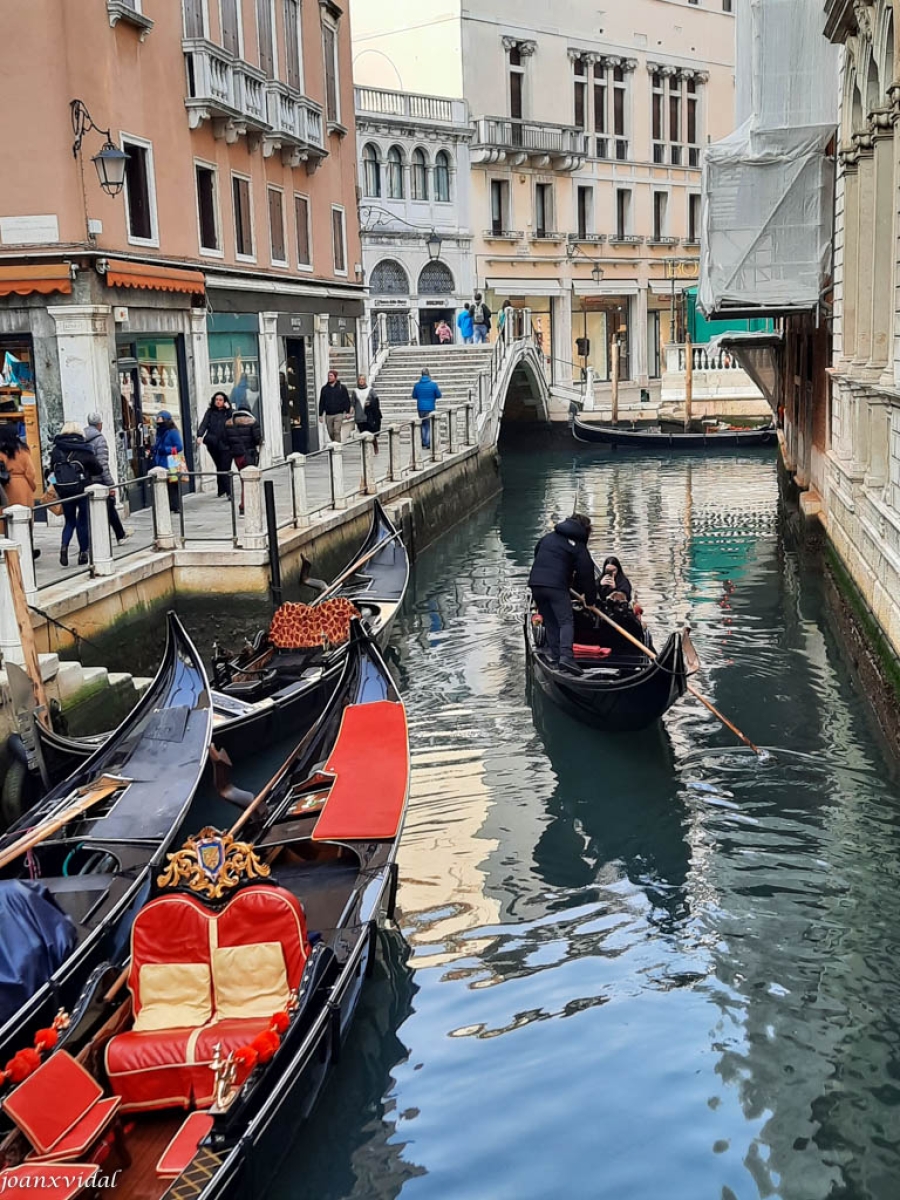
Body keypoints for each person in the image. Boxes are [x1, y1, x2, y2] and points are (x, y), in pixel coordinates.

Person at [528, 513, 597, 674]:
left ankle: (557, 658)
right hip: (555, 586)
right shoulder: (578, 546)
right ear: (585, 530)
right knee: (566, 621)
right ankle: (566, 657)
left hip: (536, 584)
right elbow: (586, 573)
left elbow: (538, 554)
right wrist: (591, 600)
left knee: (551, 622)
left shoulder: (548, 538)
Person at [50, 421, 102, 566]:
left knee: (70, 521)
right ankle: (83, 553)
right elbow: (98, 469)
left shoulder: (56, 450)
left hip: (64, 490)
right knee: (82, 520)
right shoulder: (84, 449)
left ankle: (64, 547)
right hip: (81, 489)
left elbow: (51, 471)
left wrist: (57, 485)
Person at [83, 413, 129, 544]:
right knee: (109, 507)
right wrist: (111, 484)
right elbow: (102, 464)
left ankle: (113, 535)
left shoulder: (81, 437)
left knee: (93, 511)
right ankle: (118, 536)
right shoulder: (100, 439)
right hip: (98, 479)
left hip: (85, 480)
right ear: (99, 424)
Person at [224, 406, 262, 515]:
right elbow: (257, 439)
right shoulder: (252, 422)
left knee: (243, 479)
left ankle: (244, 504)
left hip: (237, 456)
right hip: (249, 455)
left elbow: (226, 440)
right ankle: (245, 505)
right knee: (250, 479)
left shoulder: (228, 423)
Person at [197, 392, 233, 498]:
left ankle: (229, 492)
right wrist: (200, 435)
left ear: (225, 401)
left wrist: (229, 409)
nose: (218, 401)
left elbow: (234, 420)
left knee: (225, 467)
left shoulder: (228, 412)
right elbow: (204, 424)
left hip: (227, 444)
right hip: (213, 443)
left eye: (221, 400)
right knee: (219, 466)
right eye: (216, 399)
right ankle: (221, 490)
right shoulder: (210, 412)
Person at [151, 411, 184, 514]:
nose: (157, 421)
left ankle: (176, 505)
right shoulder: (158, 432)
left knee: (173, 483)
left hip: (171, 461)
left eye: (160, 418)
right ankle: (168, 504)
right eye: (157, 419)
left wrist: (166, 449)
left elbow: (179, 446)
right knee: (164, 483)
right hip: (160, 461)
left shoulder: (173, 432)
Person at [0, 424, 36, 511]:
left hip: (3, 486)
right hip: (22, 485)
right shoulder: (23, 451)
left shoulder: (1, 452)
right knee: (23, 516)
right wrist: (32, 486)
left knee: (5, 516)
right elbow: (31, 472)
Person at [318, 370, 352, 443]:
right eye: (328, 376)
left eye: (331, 376)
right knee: (330, 432)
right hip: (328, 414)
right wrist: (320, 414)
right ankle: (335, 443)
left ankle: (337, 447)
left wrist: (348, 412)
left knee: (336, 431)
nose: (329, 377)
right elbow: (322, 402)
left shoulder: (342, 388)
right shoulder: (324, 389)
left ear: (335, 377)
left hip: (338, 413)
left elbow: (346, 400)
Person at [412, 368, 441, 450]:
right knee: (428, 425)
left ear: (421, 375)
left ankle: (424, 442)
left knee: (423, 424)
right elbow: (439, 395)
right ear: (428, 375)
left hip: (421, 408)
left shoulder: (417, 385)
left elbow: (414, 396)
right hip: (430, 407)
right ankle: (427, 442)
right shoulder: (433, 385)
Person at [352, 375, 383, 453]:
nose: (361, 381)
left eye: (363, 379)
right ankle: (364, 450)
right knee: (362, 432)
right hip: (359, 415)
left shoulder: (370, 390)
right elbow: (353, 403)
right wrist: (350, 411)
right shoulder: (355, 391)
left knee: (371, 432)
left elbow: (376, 401)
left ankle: (375, 446)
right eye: (360, 379)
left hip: (369, 415)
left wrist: (370, 404)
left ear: (365, 380)